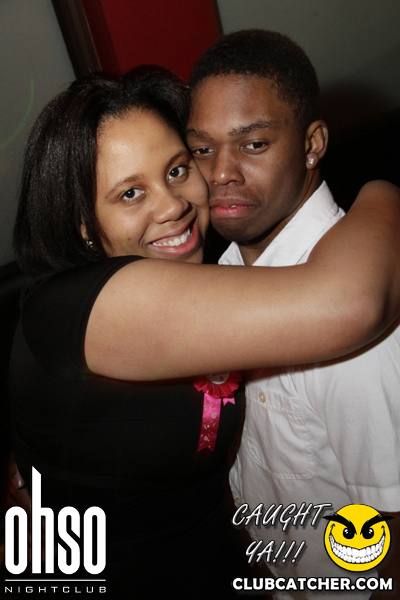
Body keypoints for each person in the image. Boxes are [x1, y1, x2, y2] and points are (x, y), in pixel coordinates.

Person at [3, 66, 400, 600]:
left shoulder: (212, 279)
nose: (172, 205)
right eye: (130, 193)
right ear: (81, 223)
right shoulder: (86, 302)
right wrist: (383, 192)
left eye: (176, 170)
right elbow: (350, 303)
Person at [186, 29, 400, 599]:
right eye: (202, 149)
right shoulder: (217, 281)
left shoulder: (361, 331)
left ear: (312, 144)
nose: (220, 172)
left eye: (253, 144)